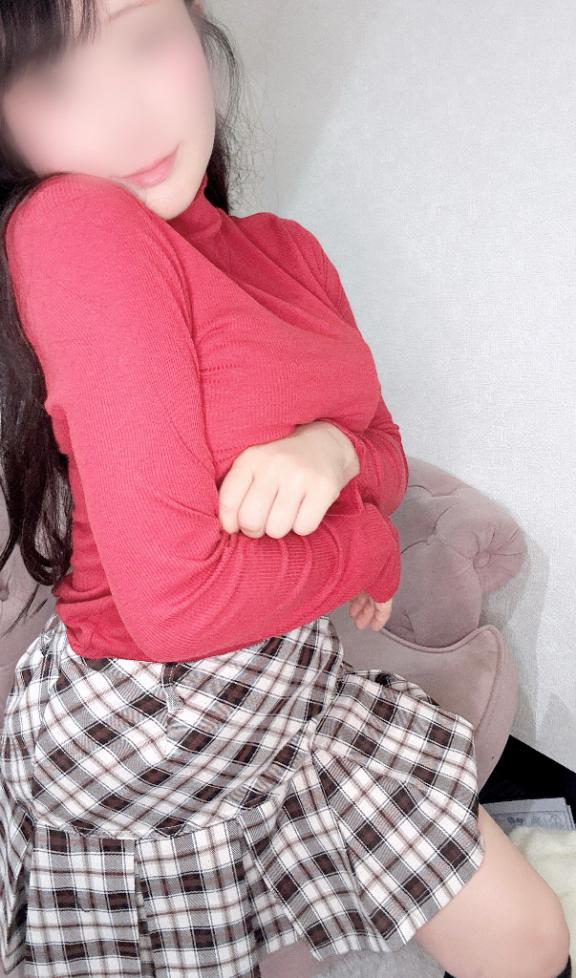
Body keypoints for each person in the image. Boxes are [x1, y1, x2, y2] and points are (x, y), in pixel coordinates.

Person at [0, 1, 570, 977]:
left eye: (143, 39)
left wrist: (330, 451)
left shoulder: (289, 250)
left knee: (529, 940)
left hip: (297, 690)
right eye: (54, 82)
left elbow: (384, 446)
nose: (125, 116)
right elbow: (178, 604)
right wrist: (369, 545)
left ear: (195, 26)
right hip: (152, 736)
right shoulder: (76, 224)